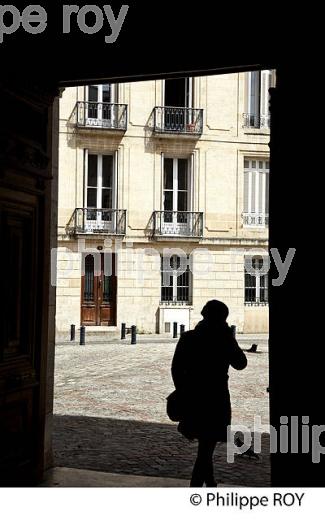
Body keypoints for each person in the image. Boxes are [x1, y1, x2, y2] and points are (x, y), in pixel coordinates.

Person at [171, 299, 247, 487]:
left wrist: (183, 390)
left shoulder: (189, 337)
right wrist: (230, 339)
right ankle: (200, 487)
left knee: (206, 445)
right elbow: (241, 363)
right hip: (216, 398)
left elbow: (176, 369)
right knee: (207, 446)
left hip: (194, 397)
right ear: (222, 318)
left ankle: (207, 485)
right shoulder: (224, 339)